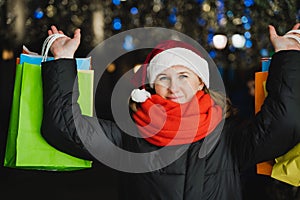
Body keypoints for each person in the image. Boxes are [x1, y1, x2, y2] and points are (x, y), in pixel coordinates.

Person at [41, 24, 300, 200]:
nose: (174, 86)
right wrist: (62, 60)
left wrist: (287, 56)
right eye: (163, 77)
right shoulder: (131, 136)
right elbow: (65, 127)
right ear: (152, 86)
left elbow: (282, 125)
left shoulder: (228, 138)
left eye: (184, 75)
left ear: (201, 82)